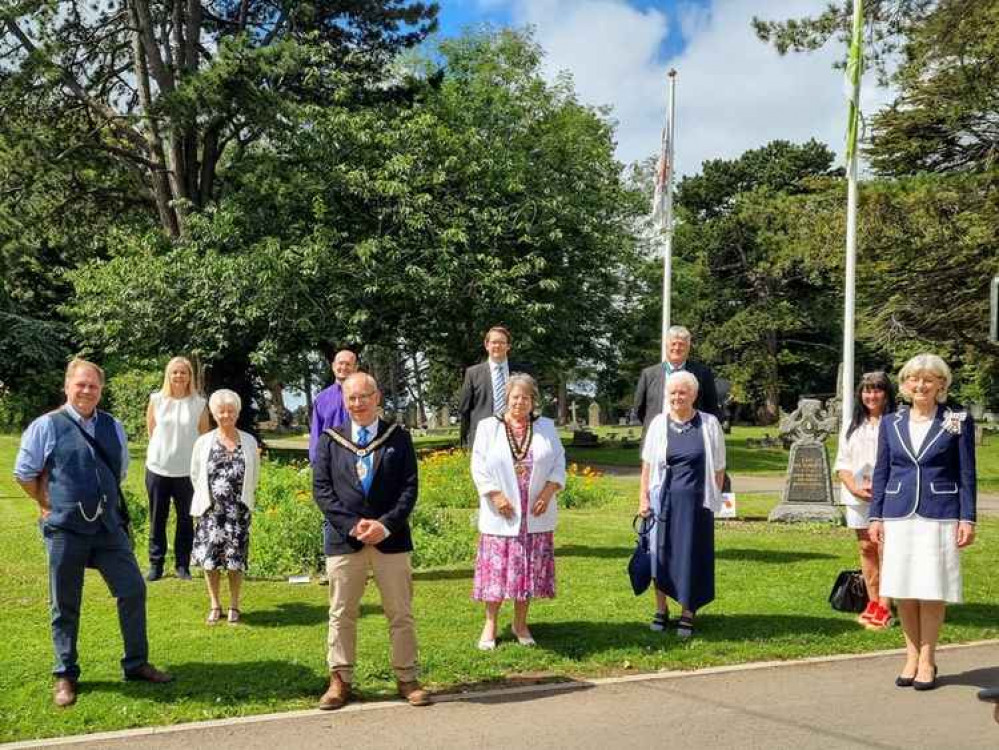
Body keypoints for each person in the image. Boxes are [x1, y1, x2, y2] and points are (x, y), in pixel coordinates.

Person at [13, 359, 172, 707]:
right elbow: (24, 472)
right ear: (67, 386)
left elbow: (121, 469)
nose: (87, 391)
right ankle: (65, 674)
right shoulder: (46, 426)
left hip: (107, 528)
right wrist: (47, 502)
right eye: (81, 384)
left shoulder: (113, 427)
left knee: (132, 589)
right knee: (65, 602)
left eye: (93, 386)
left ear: (101, 390)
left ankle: (136, 663)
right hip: (65, 529)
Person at [312, 372, 430, 709]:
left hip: (390, 541)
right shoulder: (331, 440)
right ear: (345, 401)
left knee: (401, 613)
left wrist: (385, 525)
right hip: (344, 541)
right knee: (341, 613)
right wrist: (351, 525)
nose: (358, 403)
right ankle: (339, 680)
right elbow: (322, 490)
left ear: (377, 398)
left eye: (365, 396)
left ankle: (407, 678)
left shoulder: (398, 438)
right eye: (352, 398)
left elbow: (409, 488)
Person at [870, 353, 976, 691]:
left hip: (939, 512)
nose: (921, 385)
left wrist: (967, 517)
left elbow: (967, 472)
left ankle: (928, 659)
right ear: (904, 385)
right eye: (914, 379)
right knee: (903, 589)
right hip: (898, 512)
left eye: (929, 380)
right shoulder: (891, 423)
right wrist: (876, 515)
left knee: (931, 588)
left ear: (941, 385)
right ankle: (911, 656)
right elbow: (882, 470)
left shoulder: (957, 419)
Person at [470, 373, 566, 650]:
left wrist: (548, 492)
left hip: (535, 513)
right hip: (502, 513)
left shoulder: (545, 426)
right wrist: (495, 494)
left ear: (533, 401)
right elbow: (478, 466)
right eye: (515, 397)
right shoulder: (489, 427)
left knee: (528, 571)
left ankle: (520, 623)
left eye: (526, 397)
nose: (520, 402)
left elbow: (559, 462)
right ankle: (490, 624)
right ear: (507, 399)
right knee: (497, 572)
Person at [638, 371, 725, 638]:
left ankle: (688, 611)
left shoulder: (709, 424)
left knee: (691, 555)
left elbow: (719, 467)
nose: (677, 397)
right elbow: (648, 465)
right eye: (673, 392)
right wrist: (643, 498)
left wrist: (715, 496)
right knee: (659, 555)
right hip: (662, 500)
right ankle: (661, 609)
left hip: (697, 504)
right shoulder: (658, 424)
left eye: (683, 392)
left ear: (694, 395)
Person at [190, 389, 260, 625]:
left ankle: (234, 605)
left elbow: (255, 474)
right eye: (221, 411)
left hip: (237, 512)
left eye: (231, 411)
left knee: (235, 561)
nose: (226, 415)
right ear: (214, 413)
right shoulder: (203, 442)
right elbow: (195, 474)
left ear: (237, 413)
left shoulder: (249, 441)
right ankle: (214, 604)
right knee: (210, 561)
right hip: (211, 511)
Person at [833, 371, 896, 630]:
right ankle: (872, 602)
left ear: (887, 393)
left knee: (885, 550)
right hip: (858, 496)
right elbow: (843, 462)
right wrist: (853, 487)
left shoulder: (896, 422)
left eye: (877, 390)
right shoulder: (852, 424)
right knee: (866, 549)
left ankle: (886, 605)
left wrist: (881, 487)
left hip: (888, 496)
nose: (871, 395)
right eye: (867, 390)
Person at [144, 356, 210, 582]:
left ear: (190, 376)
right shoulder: (157, 400)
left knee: (185, 519)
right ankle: (156, 564)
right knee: (157, 518)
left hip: (187, 472)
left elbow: (204, 436)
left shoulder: (199, 403)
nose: (179, 376)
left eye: (183, 372)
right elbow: (151, 430)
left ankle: (183, 565)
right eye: (175, 372)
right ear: (168, 375)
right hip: (158, 468)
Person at [308, 349, 360, 585]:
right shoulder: (321, 399)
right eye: (340, 364)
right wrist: (316, 463)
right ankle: (333, 568)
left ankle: (360, 565)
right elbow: (316, 434)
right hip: (330, 463)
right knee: (331, 513)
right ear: (333, 366)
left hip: (359, 460)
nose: (344, 368)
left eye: (348, 364)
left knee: (360, 510)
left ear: (355, 367)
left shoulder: (362, 395)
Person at [633, 325, 721, 440]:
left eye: (681, 344)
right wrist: (655, 425)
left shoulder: (703, 373)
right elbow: (639, 408)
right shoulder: (649, 374)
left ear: (688, 347)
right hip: (656, 438)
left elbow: (711, 407)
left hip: (692, 438)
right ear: (666, 345)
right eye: (673, 343)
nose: (677, 348)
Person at [459, 326, 531, 450]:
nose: (497, 346)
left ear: (508, 346)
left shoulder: (522, 372)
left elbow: (531, 402)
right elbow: (465, 409)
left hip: (517, 434)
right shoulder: (472, 373)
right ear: (487, 345)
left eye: (502, 342)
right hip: (484, 437)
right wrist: (465, 440)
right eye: (494, 342)